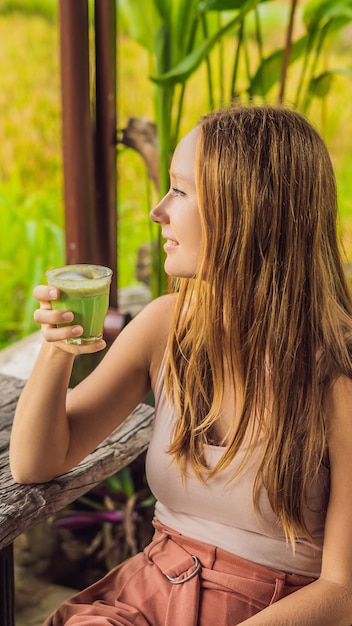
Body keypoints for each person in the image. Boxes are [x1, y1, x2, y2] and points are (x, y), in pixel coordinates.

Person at [9, 104, 352, 625]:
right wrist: (57, 348)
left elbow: (341, 592)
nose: (157, 210)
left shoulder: (336, 378)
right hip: (146, 596)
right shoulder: (168, 326)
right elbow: (36, 462)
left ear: (248, 209)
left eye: (181, 190)